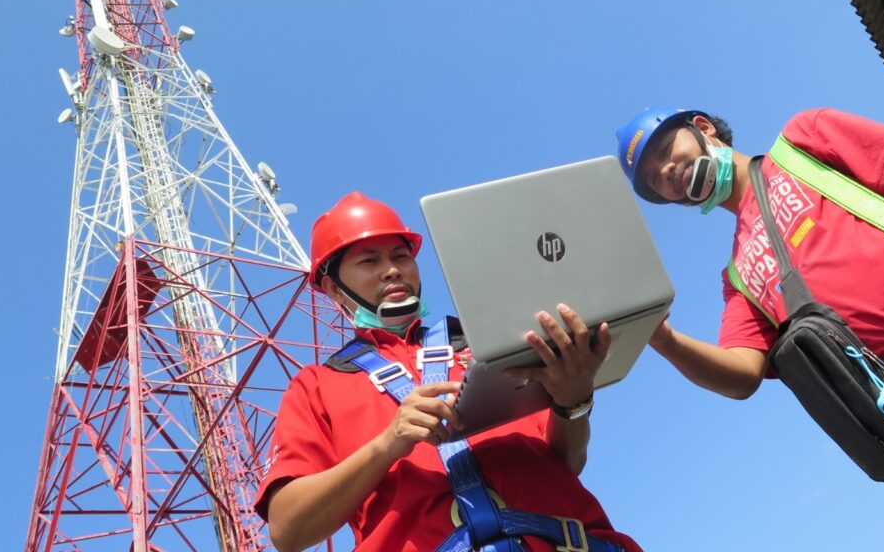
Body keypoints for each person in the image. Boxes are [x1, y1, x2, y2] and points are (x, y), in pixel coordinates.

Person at [253, 191, 642, 552]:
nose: (392, 271)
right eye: (370, 260)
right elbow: (288, 530)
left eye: (401, 257)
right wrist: (389, 444)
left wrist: (572, 403)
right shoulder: (318, 386)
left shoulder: (491, 338)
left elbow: (566, 461)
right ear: (334, 289)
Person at [615, 106, 884, 510]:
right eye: (654, 178)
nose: (666, 170)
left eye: (666, 149)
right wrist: (664, 339)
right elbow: (742, 374)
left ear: (702, 126)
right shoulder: (737, 276)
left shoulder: (804, 140)